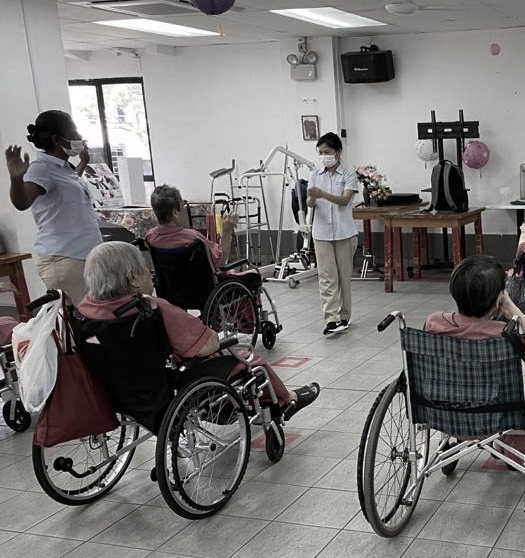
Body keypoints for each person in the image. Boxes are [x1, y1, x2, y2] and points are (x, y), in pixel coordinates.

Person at [77, 242, 319, 421]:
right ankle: (287, 401)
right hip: (166, 386)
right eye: (144, 269)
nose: (149, 273)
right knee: (249, 359)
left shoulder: (85, 311)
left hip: (116, 391)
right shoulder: (150, 308)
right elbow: (207, 346)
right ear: (133, 279)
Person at [5, 110, 103, 304]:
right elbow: (22, 202)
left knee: (92, 318)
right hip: (65, 258)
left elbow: (70, 184)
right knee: (85, 320)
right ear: (58, 140)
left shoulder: (64, 167)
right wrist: (16, 180)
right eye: (74, 136)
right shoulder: (41, 168)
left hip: (82, 256)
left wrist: (83, 162)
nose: (80, 140)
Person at [424, 254, 525, 377]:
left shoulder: (434, 322)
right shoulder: (509, 337)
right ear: (497, 301)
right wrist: (510, 307)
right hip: (500, 400)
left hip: (443, 398)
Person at [306, 132, 359, 335]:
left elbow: (344, 200)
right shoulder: (315, 175)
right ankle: (331, 319)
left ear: (337, 152)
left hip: (344, 233)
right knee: (327, 277)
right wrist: (311, 199)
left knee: (343, 276)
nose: (323, 156)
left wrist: (322, 194)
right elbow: (310, 203)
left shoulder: (348, 175)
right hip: (321, 233)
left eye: (327, 152)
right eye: (320, 152)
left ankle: (345, 316)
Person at [146, 184, 238, 269]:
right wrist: (226, 231)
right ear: (175, 213)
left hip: (169, 285)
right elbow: (219, 262)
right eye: (183, 206)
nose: (184, 210)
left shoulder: (150, 237)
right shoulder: (193, 238)